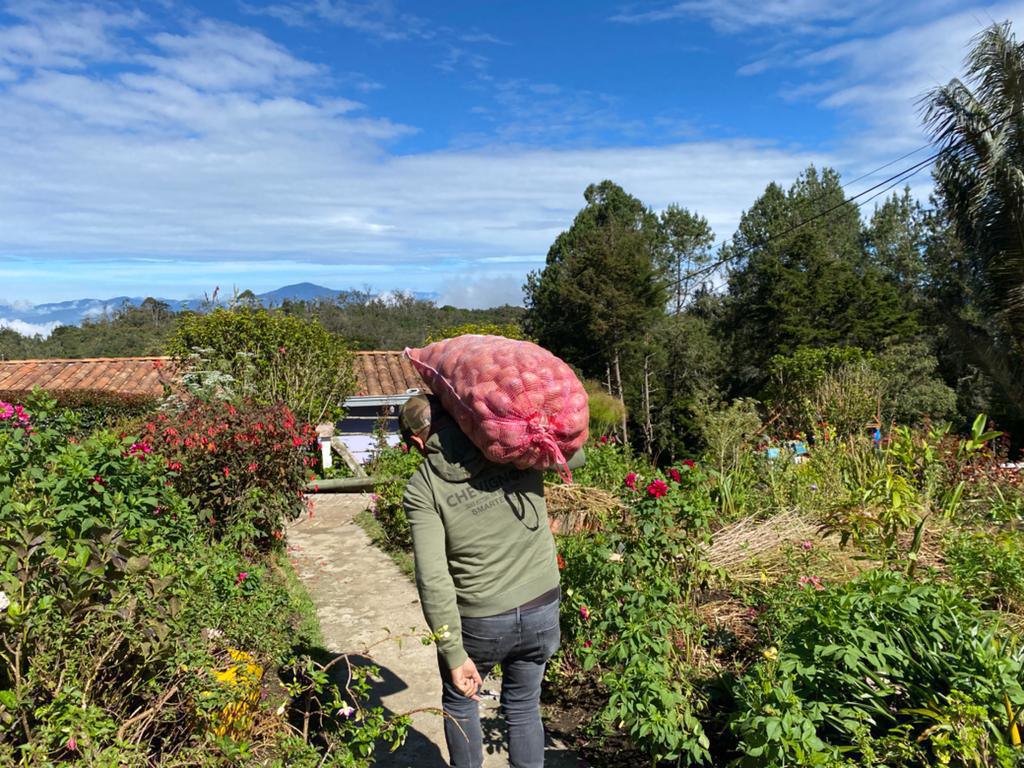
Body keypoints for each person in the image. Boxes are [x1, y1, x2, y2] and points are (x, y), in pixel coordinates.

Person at [399, 393, 583, 768]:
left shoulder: (423, 488)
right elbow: (576, 456)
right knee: (523, 706)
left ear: (418, 441)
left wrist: (453, 652)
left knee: (460, 701)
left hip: (481, 622)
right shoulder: (511, 445)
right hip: (541, 607)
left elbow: (433, 578)